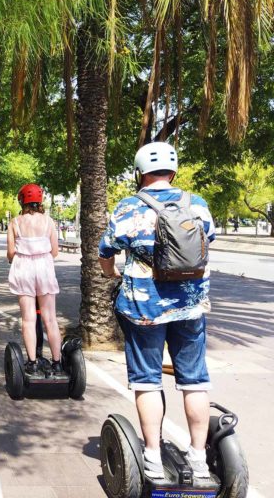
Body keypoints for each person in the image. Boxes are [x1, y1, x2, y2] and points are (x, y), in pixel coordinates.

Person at [99, 141, 216, 480]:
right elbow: (208, 240)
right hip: (191, 307)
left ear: (140, 173)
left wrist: (112, 274)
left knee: (147, 381)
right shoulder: (197, 204)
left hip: (143, 308)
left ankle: (151, 456)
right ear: (174, 171)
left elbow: (105, 251)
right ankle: (198, 458)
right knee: (195, 381)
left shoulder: (127, 207)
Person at [7, 183, 62, 375]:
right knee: (50, 319)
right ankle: (57, 362)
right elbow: (54, 251)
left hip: (24, 269)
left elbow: (10, 253)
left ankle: (32, 361)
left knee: (28, 319)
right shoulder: (49, 221)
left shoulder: (15, 222)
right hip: (44, 268)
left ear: (22, 200)